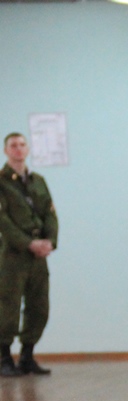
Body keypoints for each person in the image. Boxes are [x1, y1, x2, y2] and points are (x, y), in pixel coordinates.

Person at [0, 132, 57, 377]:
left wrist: (50, 242)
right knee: (8, 306)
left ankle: (27, 356)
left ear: (28, 149)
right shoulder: (2, 182)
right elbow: (3, 221)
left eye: (22, 145)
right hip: (13, 255)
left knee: (39, 306)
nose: (18, 149)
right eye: (13, 145)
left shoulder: (38, 181)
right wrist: (28, 244)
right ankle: (4, 358)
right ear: (6, 150)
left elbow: (49, 214)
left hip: (38, 256)